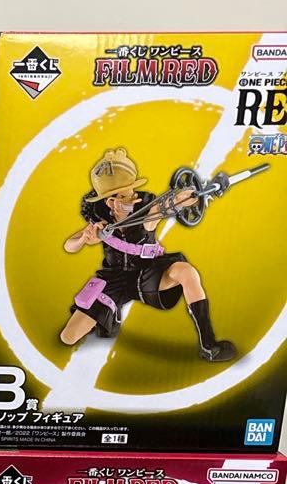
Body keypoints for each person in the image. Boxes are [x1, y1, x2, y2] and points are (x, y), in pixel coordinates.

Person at [61, 148, 236, 362]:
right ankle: (110, 318)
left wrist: (206, 190)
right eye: (110, 198)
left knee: (187, 272)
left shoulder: (149, 210)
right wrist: (84, 238)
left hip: (148, 272)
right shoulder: (101, 217)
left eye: (122, 196)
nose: (115, 203)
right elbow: (69, 246)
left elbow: (174, 201)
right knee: (68, 337)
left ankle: (209, 345)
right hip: (113, 278)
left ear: (133, 193)